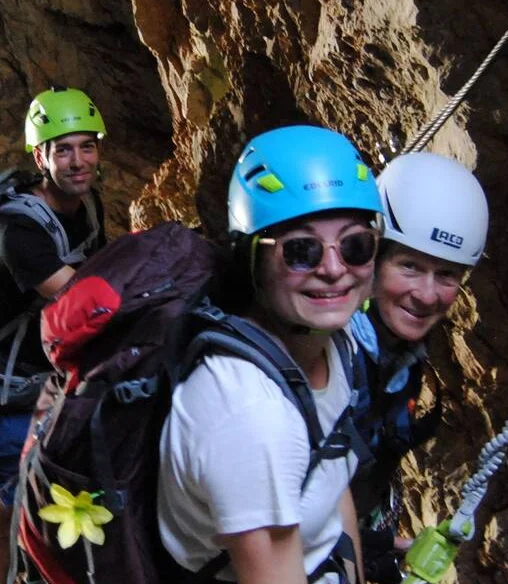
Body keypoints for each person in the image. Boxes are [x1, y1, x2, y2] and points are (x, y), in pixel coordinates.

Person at [159, 125, 383, 583]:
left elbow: (330, 477)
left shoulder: (337, 344)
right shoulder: (250, 416)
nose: (334, 269)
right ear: (253, 260)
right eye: (301, 251)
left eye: (356, 245)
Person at [0, 86, 109, 583]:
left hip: (57, 386)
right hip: (10, 397)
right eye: (63, 149)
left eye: (87, 146)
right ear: (40, 157)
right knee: (2, 515)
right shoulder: (17, 228)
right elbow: (82, 300)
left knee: (51, 510)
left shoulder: (88, 206)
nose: (78, 161)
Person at [344, 152, 489, 582]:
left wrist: (385, 549)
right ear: (373, 258)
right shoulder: (328, 355)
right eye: (410, 266)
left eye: (446, 275)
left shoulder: (401, 359)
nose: (427, 295)